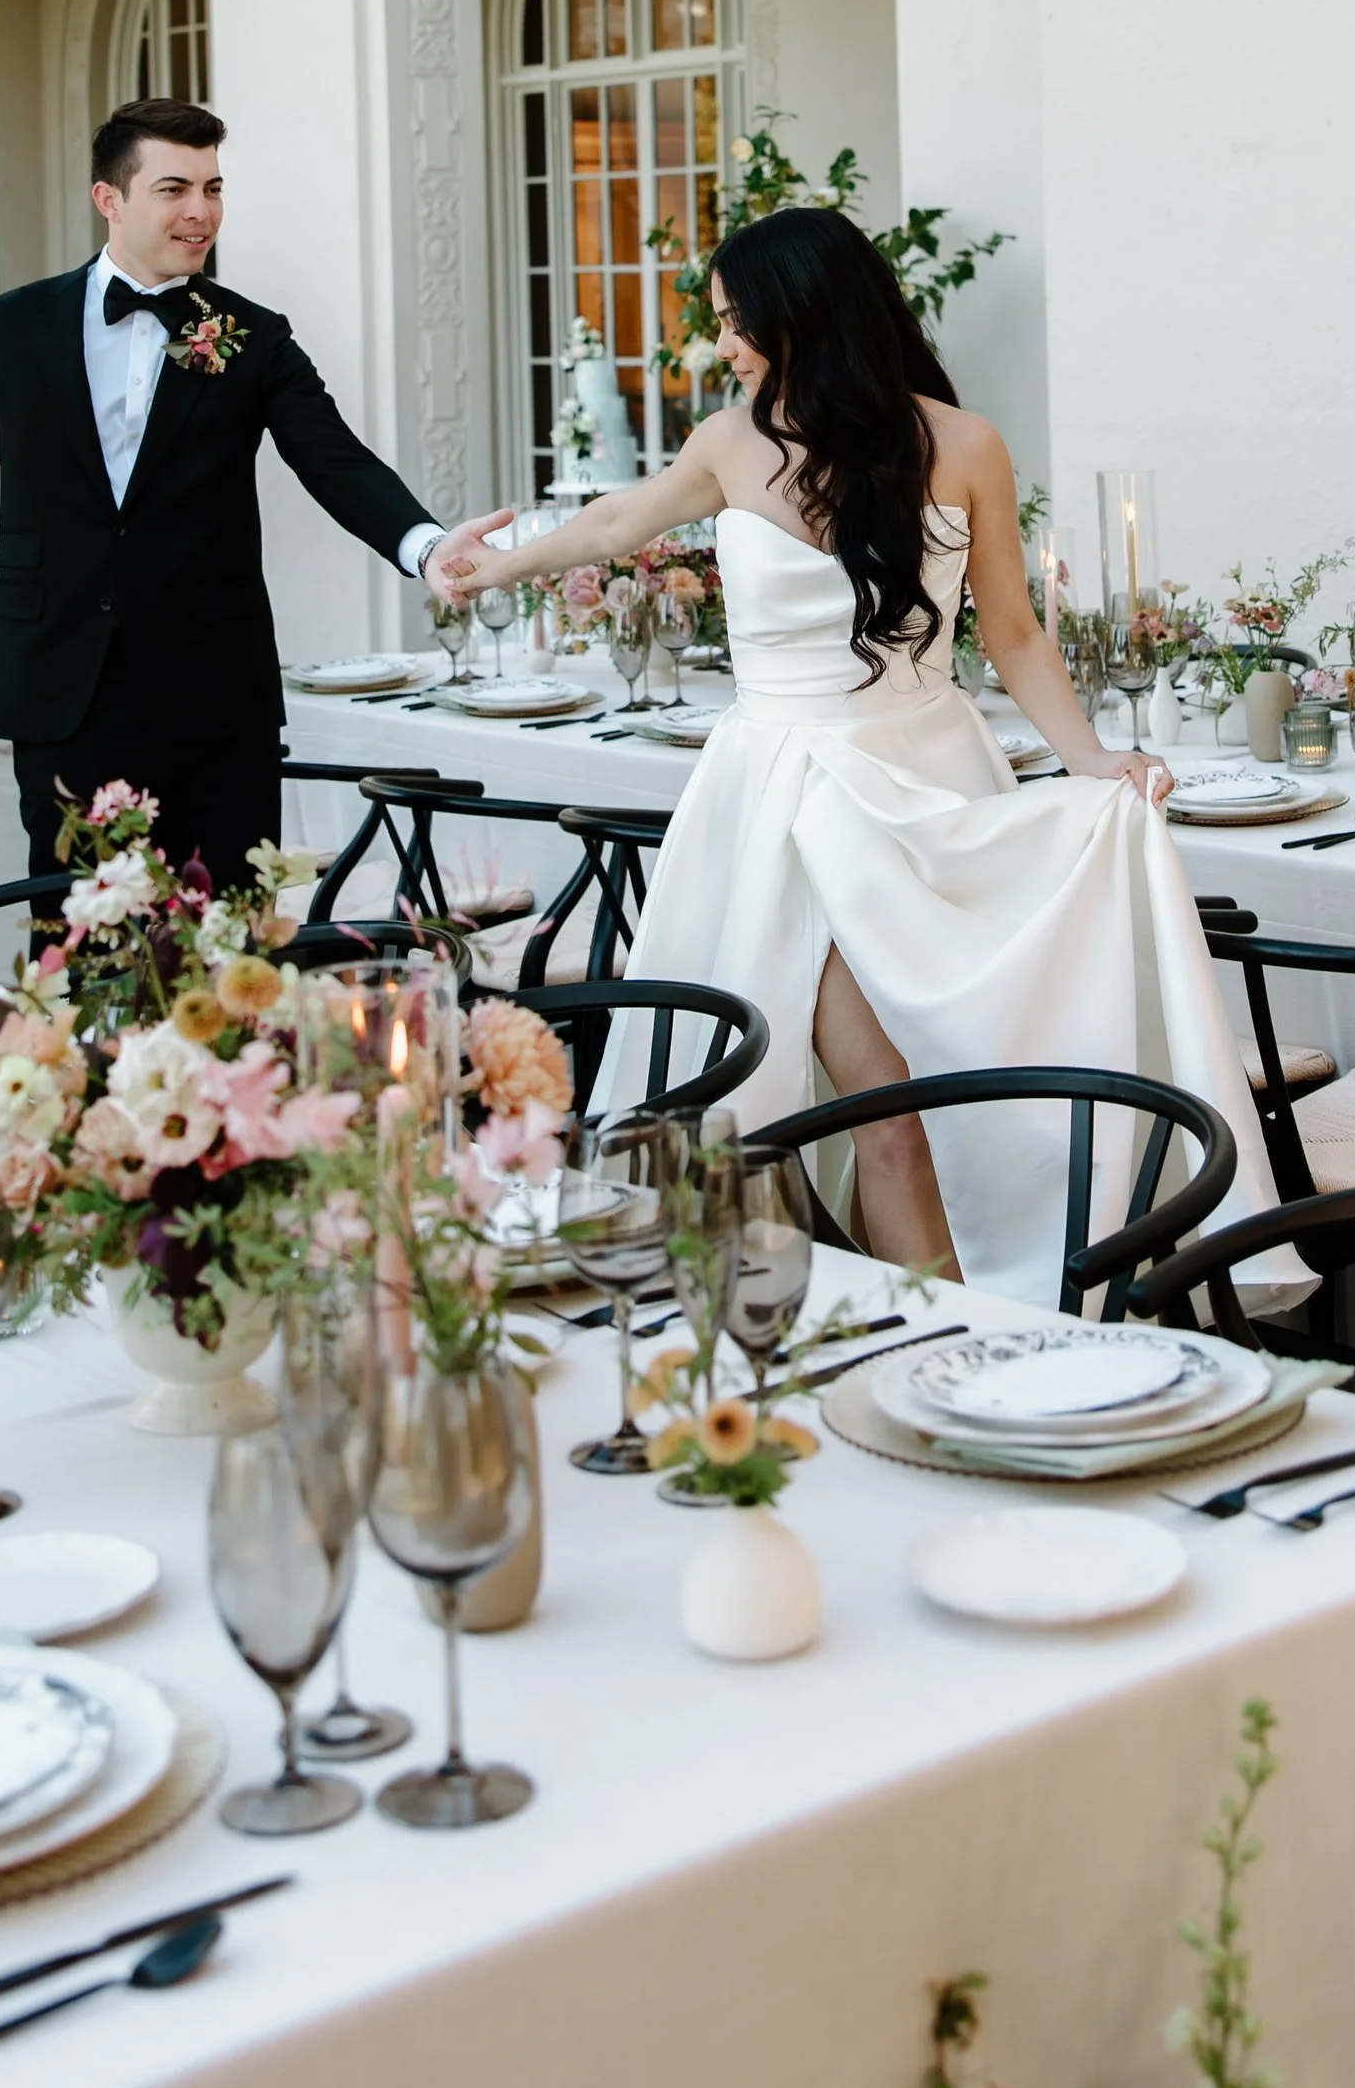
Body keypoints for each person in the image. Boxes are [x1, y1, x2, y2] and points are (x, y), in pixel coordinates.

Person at [438, 204, 1278, 1302]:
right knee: (879, 1104)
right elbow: (611, 525)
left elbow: (1012, 631)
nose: (725, 345)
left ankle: (968, 1326)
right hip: (783, 802)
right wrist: (484, 568)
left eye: (739, 322)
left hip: (934, 795)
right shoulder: (730, 441)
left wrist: (1089, 763)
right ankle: (926, 1335)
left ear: (804, 316)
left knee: (950, 1095)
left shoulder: (964, 444)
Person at [0, 98, 507, 882]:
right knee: (85, 953)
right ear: (110, 199)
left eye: (213, 188)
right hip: (66, 692)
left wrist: (425, 544)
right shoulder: (10, 330)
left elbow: (333, 458)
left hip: (216, 702)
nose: (200, 212)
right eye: (174, 189)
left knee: (228, 960)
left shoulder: (251, 333)